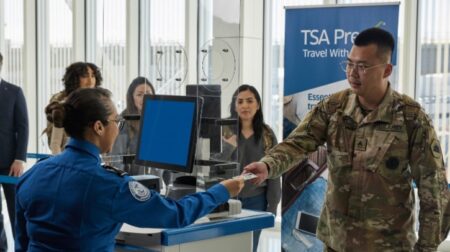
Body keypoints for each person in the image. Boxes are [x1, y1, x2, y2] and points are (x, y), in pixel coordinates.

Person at [245, 27, 450, 251]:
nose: (352, 73)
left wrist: (426, 248)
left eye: (362, 66)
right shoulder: (334, 108)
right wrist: (268, 165)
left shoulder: (411, 119)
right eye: (349, 63)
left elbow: (435, 193)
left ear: (386, 70)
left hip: (389, 246)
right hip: (337, 243)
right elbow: (297, 143)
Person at [15, 87, 244, 251]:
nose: (118, 128)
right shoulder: (109, 185)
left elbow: (22, 242)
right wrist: (222, 191)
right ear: (98, 127)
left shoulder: (33, 175)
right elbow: (176, 214)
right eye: (116, 121)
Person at [223, 84, 281, 252]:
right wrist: (228, 147)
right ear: (234, 106)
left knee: (249, 247)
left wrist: (273, 205)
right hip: (226, 199)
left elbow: (275, 171)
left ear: (258, 104)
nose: (245, 106)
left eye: (249, 101)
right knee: (226, 246)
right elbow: (211, 165)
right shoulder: (223, 129)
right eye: (240, 102)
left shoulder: (267, 134)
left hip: (256, 201)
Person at [0, 52, 29, 252]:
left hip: (10, 162)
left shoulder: (14, 91)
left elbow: (23, 126)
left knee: (15, 210)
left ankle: (22, 248)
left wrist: (20, 158)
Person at [43, 61, 102, 154]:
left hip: (92, 156)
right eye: (85, 76)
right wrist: (60, 163)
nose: (91, 81)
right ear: (74, 79)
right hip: (67, 155)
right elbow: (55, 143)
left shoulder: (99, 101)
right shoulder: (61, 103)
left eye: (93, 76)